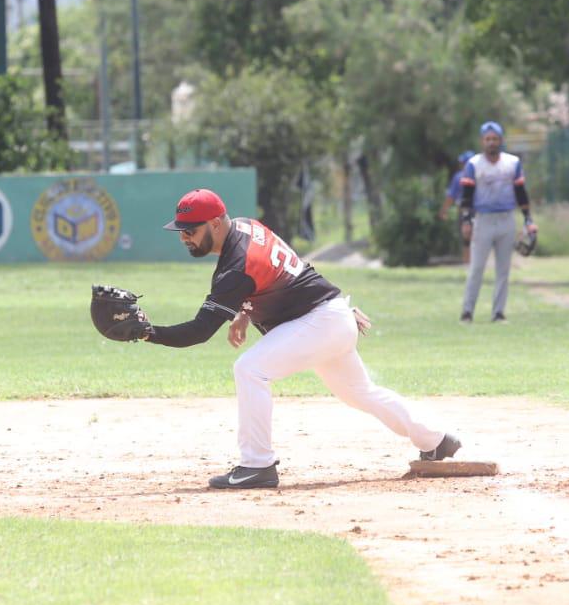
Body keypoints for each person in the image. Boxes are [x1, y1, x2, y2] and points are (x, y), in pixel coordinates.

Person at [144, 188, 461, 489]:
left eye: (190, 230)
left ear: (214, 223)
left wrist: (145, 332)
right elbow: (288, 271)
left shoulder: (236, 266)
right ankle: (436, 440)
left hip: (320, 321)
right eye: (181, 231)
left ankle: (257, 465)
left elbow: (199, 331)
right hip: (328, 316)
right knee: (360, 393)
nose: (184, 237)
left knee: (250, 369)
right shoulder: (245, 226)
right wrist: (244, 314)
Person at [457, 122, 535, 323]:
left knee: (503, 268)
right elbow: (466, 196)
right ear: (482, 141)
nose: (491, 142)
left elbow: (521, 193)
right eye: (488, 139)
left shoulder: (512, 163)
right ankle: (467, 312)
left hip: (506, 218)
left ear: (501, 140)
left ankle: (498, 312)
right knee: (477, 268)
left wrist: (528, 219)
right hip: (483, 219)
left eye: (495, 138)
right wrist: (466, 220)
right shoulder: (474, 164)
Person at [438, 150, 477, 263]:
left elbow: (451, 197)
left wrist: (443, 211)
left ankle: (468, 264)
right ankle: (475, 264)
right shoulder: (480, 176)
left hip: (464, 211)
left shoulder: (459, 177)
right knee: (477, 239)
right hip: (480, 212)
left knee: (466, 240)